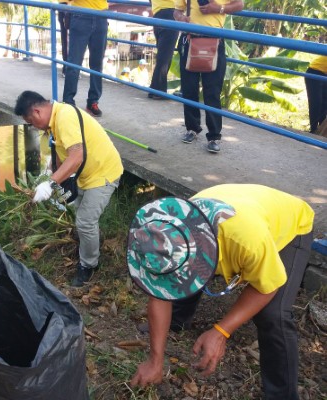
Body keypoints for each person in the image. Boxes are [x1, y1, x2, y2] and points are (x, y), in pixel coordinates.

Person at [127, 184, 314, 400]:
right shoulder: (164, 233)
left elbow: (267, 288)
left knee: (273, 314)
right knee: (177, 276)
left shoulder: (246, 242)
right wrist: (155, 360)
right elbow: (160, 294)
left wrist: (221, 331)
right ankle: (177, 320)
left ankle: (283, 395)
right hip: (245, 206)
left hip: (290, 224)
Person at [14, 91, 123, 287]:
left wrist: (51, 183)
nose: (34, 127)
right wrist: (50, 171)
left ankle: (88, 266)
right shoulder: (55, 120)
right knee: (81, 215)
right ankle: (91, 245)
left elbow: (76, 156)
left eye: (31, 122)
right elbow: (61, 149)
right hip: (86, 174)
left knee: (85, 222)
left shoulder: (64, 117)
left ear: (37, 112)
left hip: (103, 173)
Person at [174, 0, 244, 153]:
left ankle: (214, 136)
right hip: (190, 39)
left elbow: (239, 4)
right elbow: (176, 11)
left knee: (212, 92)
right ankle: (192, 128)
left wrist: (218, 8)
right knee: (189, 89)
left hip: (214, 40)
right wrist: (181, 18)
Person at [62, 0, 108, 117]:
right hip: (81, 15)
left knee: (97, 64)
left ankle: (93, 101)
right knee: (74, 63)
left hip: (101, 15)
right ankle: (68, 102)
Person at [148, 0, 179, 100]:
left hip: (157, 14)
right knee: (165, 58)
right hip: (171, 14)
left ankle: (154, 89)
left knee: (163, 55)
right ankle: (158, 91)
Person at [304, 55, 327, 134]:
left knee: (324, 104)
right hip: (314, 71)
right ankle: (313, 130)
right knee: (316, 103)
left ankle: (321, 131)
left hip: (324, 73)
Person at [58, 1, 70, 76]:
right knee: (66, 40)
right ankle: (66, 68)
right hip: (65, 6)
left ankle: (71, 68)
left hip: (76, 6)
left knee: (74, 42)